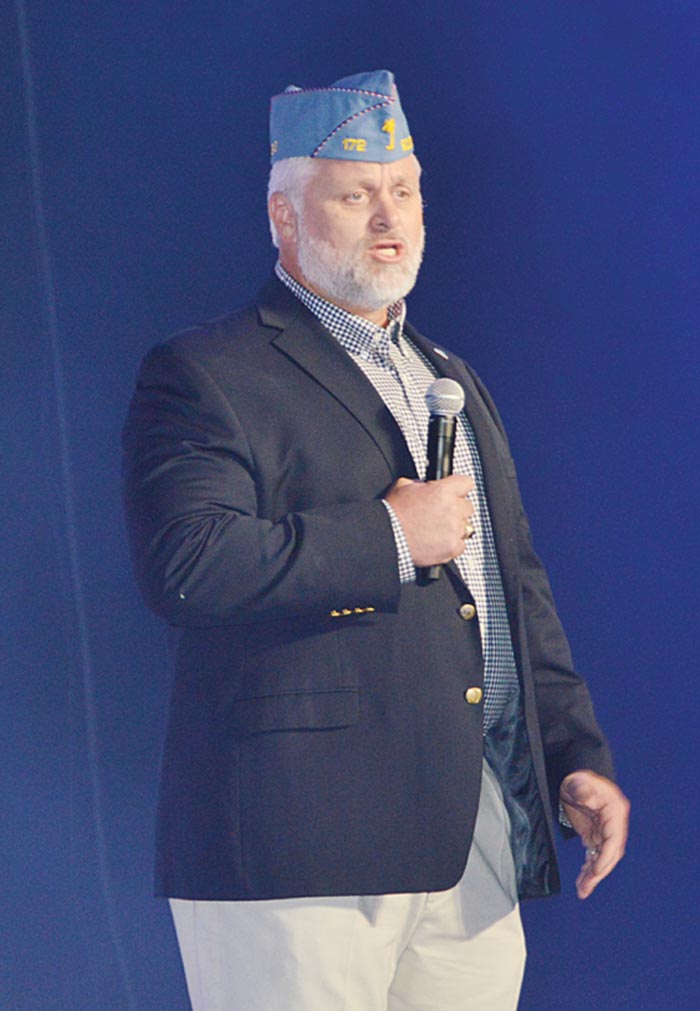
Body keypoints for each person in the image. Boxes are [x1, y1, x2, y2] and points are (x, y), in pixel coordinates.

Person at [122, 70, 630, 1011]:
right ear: (283, 215)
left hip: (464, 827)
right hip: (295, 839)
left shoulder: (452, 378)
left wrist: (573, 752)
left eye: (405, 189)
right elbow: (187, 564)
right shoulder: (207, 370)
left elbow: (511, 579)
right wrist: (390, 535)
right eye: (356, 194)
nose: (389, 215)